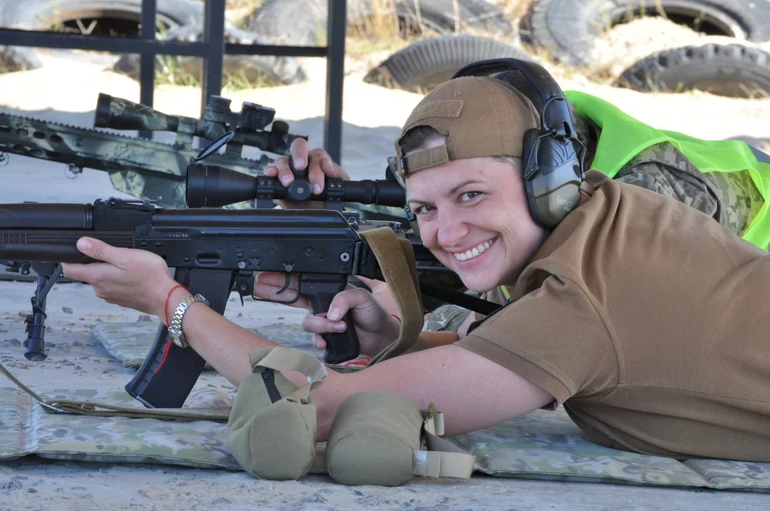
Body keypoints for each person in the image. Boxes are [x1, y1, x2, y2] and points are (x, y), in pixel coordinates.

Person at [62, 59, 770, 463]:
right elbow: (514, 345)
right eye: (425, 208)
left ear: (547, 181)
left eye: (471, 194)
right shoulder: (611, 215)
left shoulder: (581, 301)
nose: (446, 232)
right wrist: (399, 337)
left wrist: (171, 303)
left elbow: (314, 408)